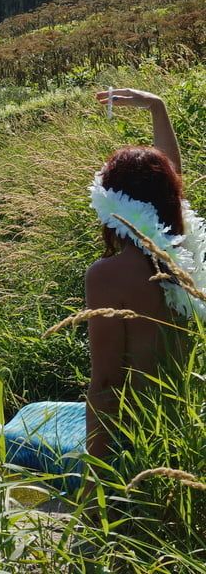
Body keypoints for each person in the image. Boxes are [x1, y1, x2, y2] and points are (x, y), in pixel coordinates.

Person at [85, 87, 202, 458]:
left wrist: (96, 480)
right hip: (184, 424)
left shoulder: (109, 274)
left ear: (109, 203)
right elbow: (170, 180)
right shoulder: (183, 251)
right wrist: (157, 107)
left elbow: (105, 383)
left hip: (138, 434)